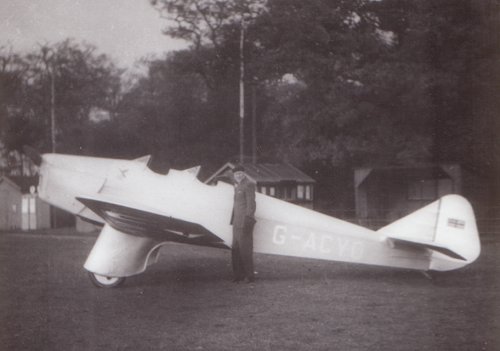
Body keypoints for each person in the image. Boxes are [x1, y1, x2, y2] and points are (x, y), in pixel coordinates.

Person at [231, 164, 256, 283]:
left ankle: (249, 276)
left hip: (244, 223)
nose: (239, 176)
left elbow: (251, 205)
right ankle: (238, 275)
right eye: (236, 174)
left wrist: (248, 219)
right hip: (236, 223)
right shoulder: (237, 186)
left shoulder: (249, 184)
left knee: (245, 249)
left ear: (244, 173)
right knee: (235, 249)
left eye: (240, 173)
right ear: (234, 175)